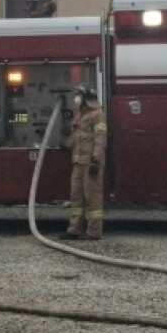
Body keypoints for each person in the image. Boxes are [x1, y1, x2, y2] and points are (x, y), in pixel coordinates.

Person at [57, 82, 107, 241]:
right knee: (76, 197)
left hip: (90, 163)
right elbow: (76, 137)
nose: (76, 98)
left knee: (92, 197)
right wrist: (66, 145)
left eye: (78, 94)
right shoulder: (80, 115)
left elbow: (101, 140)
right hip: (78, 162)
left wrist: (96, 161)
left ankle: (94, 232)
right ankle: (74, 230)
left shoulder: (98, 114)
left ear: (86, 97)